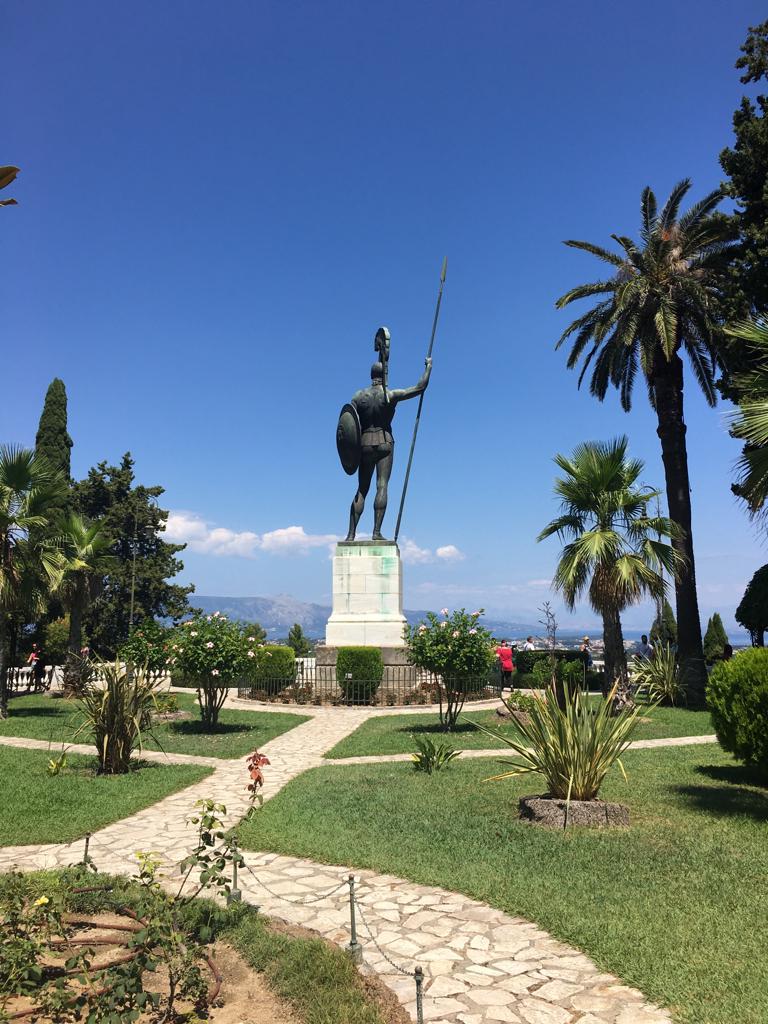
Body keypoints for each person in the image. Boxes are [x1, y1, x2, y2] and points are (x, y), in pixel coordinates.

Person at [344, 328, 432, 541]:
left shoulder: (358, 396)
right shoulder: (390, 395)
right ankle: (376, 532)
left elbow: (349, 423)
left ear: (371, 376)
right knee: (381, 486)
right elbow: (420, 387)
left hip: (364, 444)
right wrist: (428, 367)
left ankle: (351, 535)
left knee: (362, 489)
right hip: (385, 442)